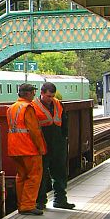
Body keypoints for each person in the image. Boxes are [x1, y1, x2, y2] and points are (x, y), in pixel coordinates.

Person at [33, 82, 75, 210]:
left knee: (60, 172)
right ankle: (40, 201)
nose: (50, 99)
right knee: (42, 173)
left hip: (58, 143)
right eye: (48, 96)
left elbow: (64, 122)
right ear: (42, 93)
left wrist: (64, 138)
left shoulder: (58, 104)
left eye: (52, 96)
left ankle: (60, 199)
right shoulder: (33, 106)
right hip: (43, 143)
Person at [6, 83, 47, 216]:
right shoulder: (27, 108)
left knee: (21, 176)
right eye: (33, 92)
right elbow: (34, 130)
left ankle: (21, 204)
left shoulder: (11, 108)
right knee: (34, 176)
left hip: (14, 148)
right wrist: (41, 147)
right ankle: (28, 205)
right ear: (28, 93)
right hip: (28, 149)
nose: (34, 95)